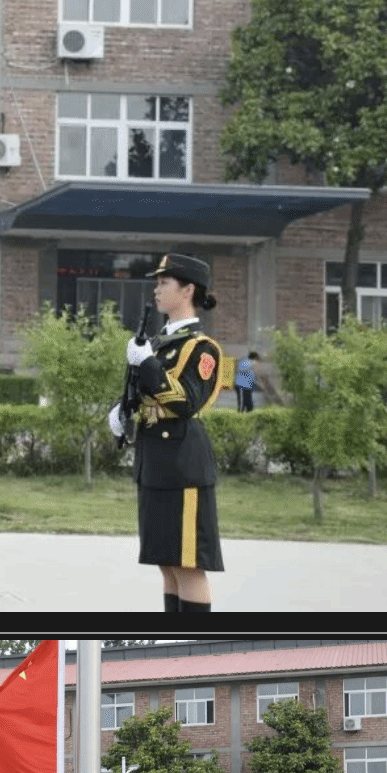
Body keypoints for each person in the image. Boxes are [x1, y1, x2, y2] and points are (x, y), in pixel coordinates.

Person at [109, 253, 227, 614]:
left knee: (187, 565)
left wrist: (147, 363)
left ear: (188, 290)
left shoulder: (202, 348)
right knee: (166, 562)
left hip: (182, 467)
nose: (157, 289)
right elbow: (142, 392)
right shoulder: (158, 342)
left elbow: (186, 402)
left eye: (164, 283)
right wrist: (122, 409)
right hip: (154, 463)